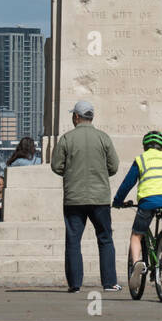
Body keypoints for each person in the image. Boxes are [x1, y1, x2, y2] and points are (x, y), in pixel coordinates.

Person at [50, 100, 121, 293]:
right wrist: (101, 174)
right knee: (105, 239)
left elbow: (56, 166)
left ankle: (75, 284)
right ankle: (109, 282)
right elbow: (114, 166)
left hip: (74, 197)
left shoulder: (66, 138)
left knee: (73, 240)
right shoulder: (103, 138)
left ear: (76, 117)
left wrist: (71, 172)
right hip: (100, 198)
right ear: (92, 117)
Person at [112, 130, 162, 292]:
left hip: (148, 202)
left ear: (145, 147)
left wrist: (118, 201)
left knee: (137, 234)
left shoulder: (141, 160)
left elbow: (127, 184)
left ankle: (137, 264)